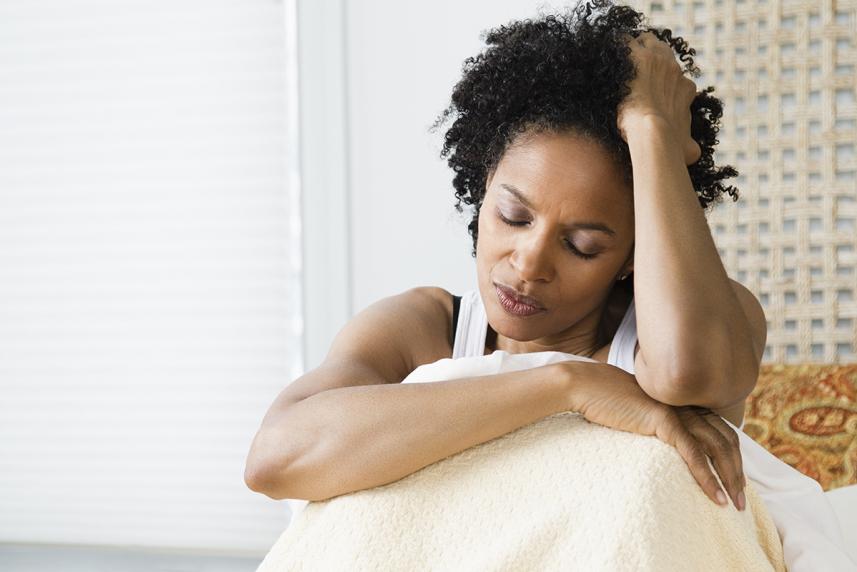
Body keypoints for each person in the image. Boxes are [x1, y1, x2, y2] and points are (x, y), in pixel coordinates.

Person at [245, 0, 758, 519]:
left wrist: (652, 132)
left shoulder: (705, 324)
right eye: (513, 216)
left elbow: (685, 374)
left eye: (582, 245)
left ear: (632, 255)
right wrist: (569, 384)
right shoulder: (421, 329)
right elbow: (275, 458)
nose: (530, 261)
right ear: (483, 184)